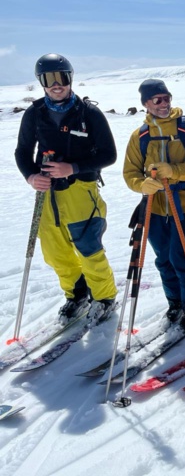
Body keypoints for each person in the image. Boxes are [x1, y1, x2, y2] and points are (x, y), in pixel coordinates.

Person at [15, 53, 117, 324]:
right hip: (46, 193)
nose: (56, 84)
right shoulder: (35, 113)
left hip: (80, 191)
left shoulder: (88, 113)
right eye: (48, 79)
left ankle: (104, 297)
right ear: (41, 82)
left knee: (88, 247)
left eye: (61, 77)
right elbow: (23, 151)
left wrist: (72, 168)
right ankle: (77, 294)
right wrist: (30, 176)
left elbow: (108, 154)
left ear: (70, 78)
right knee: (55, 252)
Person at [123, 78, 185, 331]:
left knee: (181, 257)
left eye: (167, 98)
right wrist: (142, 185)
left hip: (182, 204)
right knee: (163, 259)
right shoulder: (140, 136)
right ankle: (175, 303)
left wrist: (173, 171)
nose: (164, 104)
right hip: (153, 206)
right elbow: (130, 173)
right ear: (146, 103)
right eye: (157, 100)